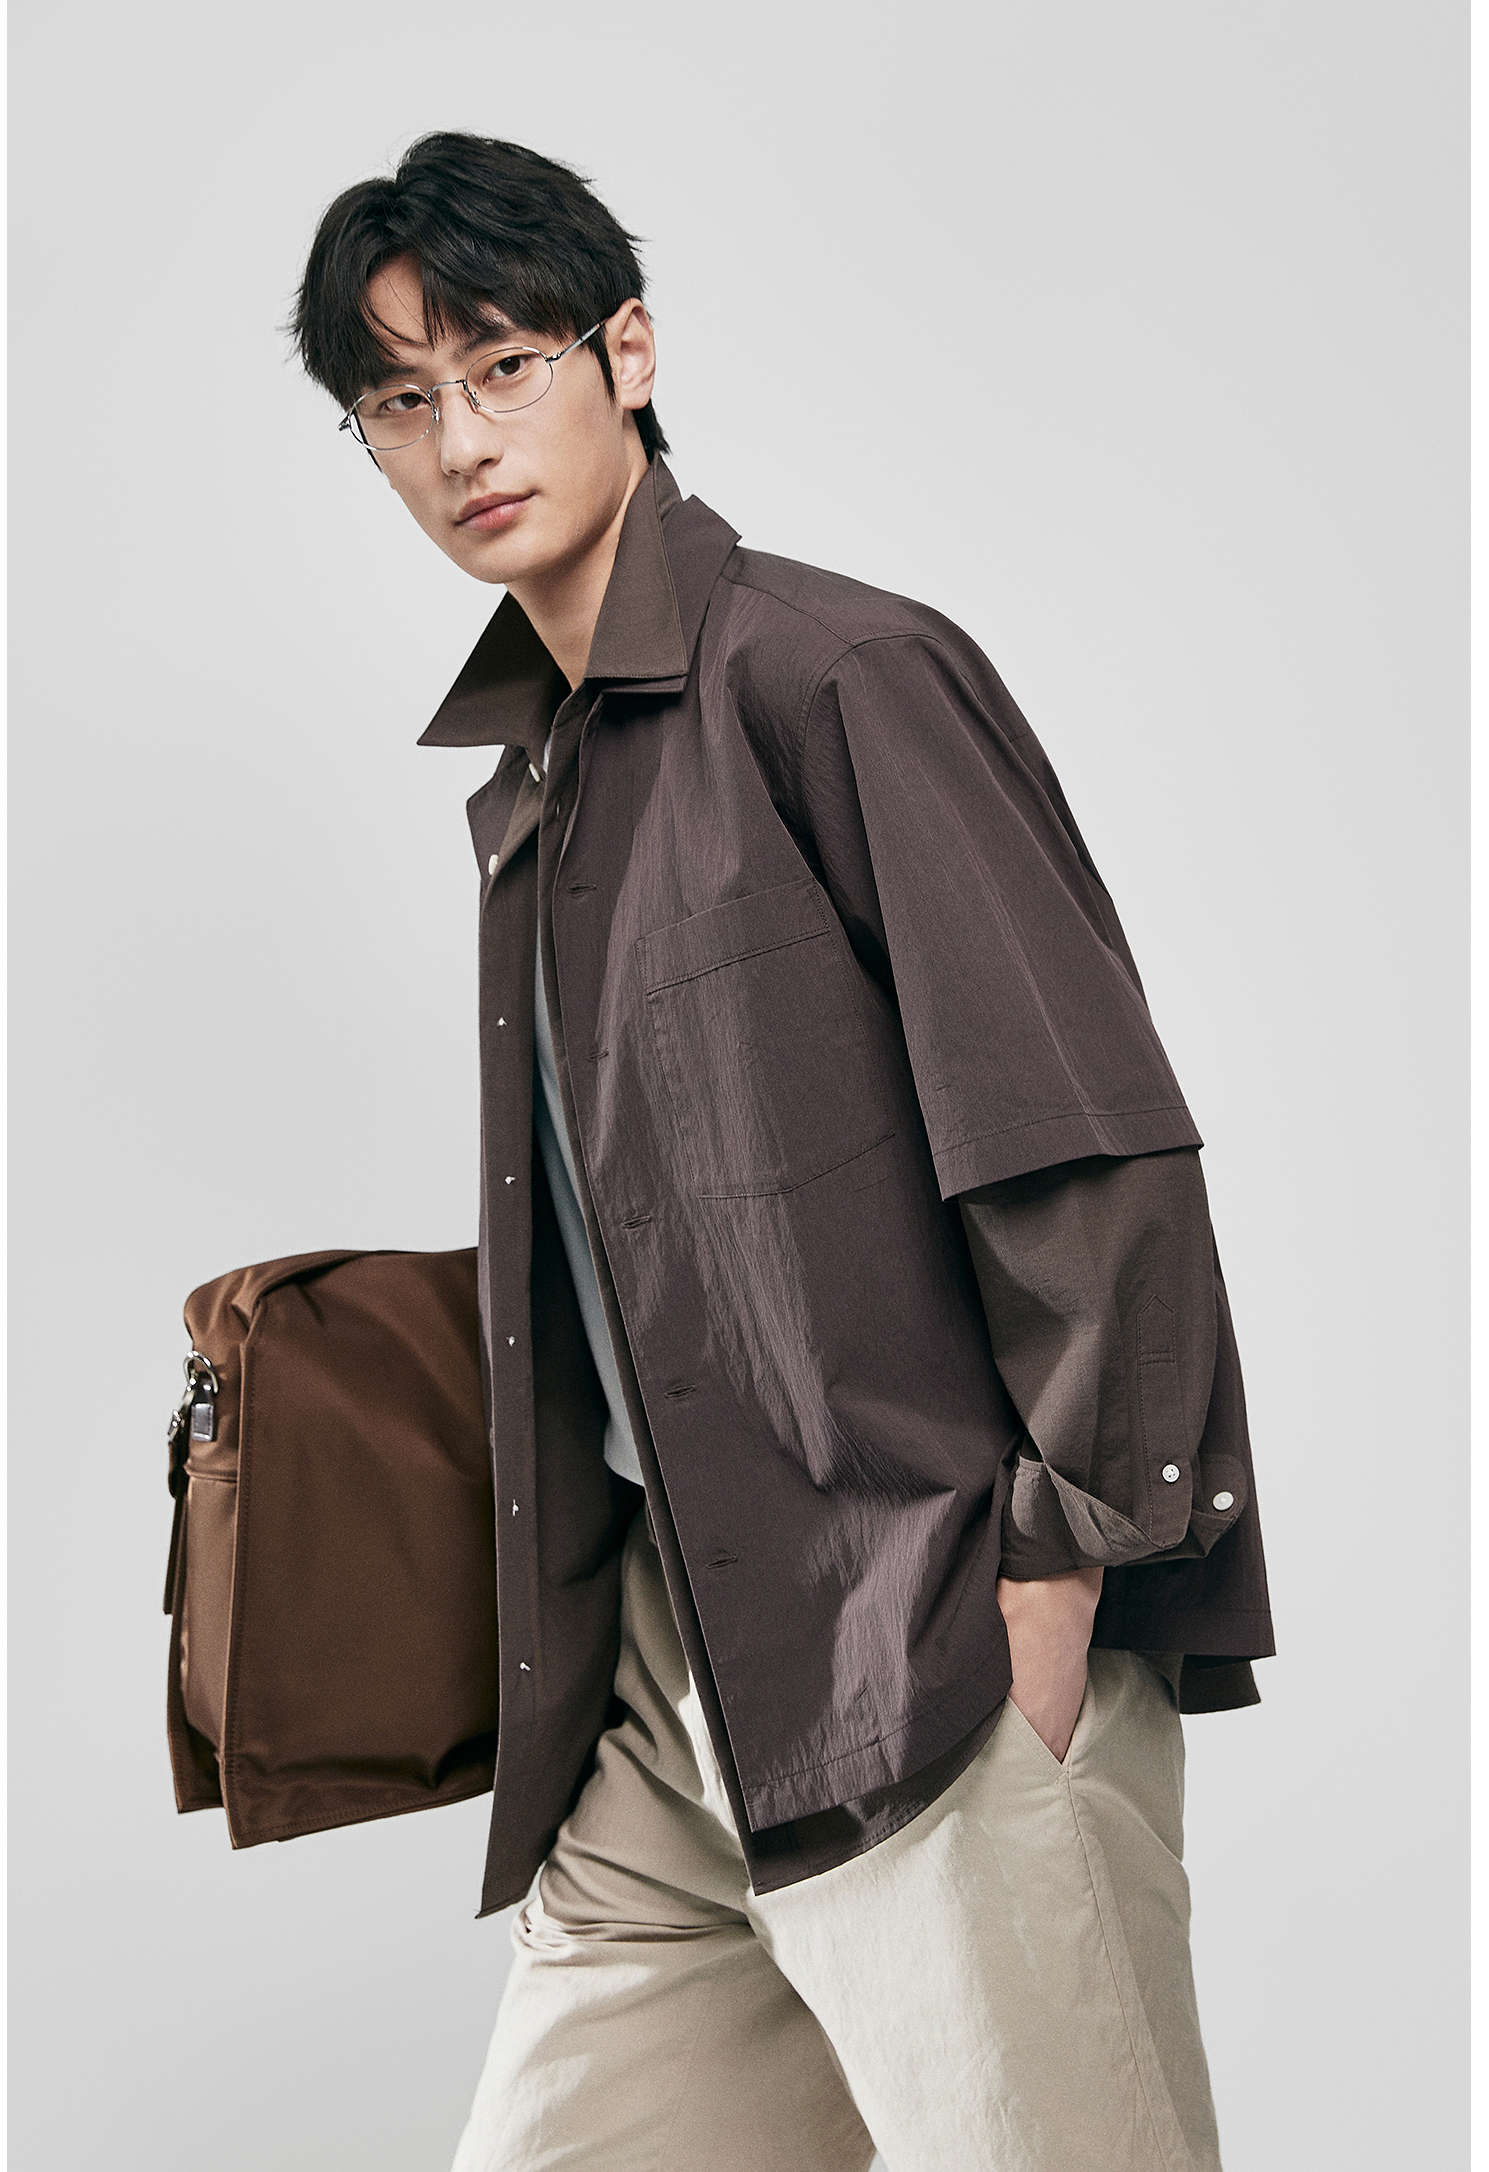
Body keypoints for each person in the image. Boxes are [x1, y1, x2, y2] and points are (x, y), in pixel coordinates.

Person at [291, 130, 1273, 2172]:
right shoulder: (538, 785)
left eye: (503, 364)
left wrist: (1055, 1584)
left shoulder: (836, 675)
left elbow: (1090, 1149)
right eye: (400, 400)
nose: (461, 439)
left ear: (628, 352)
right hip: (670, 1688)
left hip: (928, 1641)